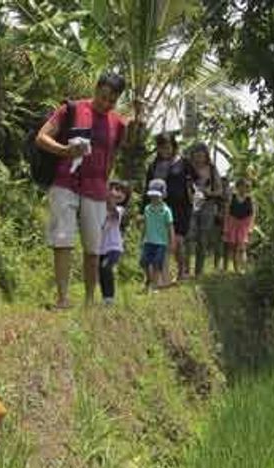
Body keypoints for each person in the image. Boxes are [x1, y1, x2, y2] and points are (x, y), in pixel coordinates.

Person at [34, 71, 127, 309]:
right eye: (103, 96)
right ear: (96, 88)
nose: (106, 103)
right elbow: (42, 137)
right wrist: (65, 151)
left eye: (112, 100)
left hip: (96, 188)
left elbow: (112, 158)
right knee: (63, 239)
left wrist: (106, 189)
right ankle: (63, 299)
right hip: (66, 181)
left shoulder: (117, 122)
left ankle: (88, 301)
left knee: (93, 247)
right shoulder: (72, 109)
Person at [145, 133, 191, 283]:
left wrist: (198, 196)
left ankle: (181, 271)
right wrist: (143, 210)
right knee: (160, 243)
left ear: (173, 146)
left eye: (167, 146)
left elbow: (196, 181)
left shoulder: (183, 162)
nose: (164, 150)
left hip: (181, 208)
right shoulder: (153, 165)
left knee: (178, 241)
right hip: (159, 208)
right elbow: (148, 187)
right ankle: (162, 276)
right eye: (161, 147)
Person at [186, 143, 225, 277]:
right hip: (191, 205)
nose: (198, 157)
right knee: (188, 237)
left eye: (201, 155)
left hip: (208, 206)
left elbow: (220, 191)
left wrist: (209, 192)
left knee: (202, 239)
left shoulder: (212, 170)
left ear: (206, 156)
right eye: (196, 154)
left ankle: (199, 271)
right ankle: (185, 270)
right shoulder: (188, 169)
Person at [99, 180, 130, 305]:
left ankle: (110, 298)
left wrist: (110, 197)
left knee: (106, 267)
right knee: (101, 271)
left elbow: (114, 213)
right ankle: (105, 297)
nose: (117, 193)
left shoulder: (120, 209)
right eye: (116, 189)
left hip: (114, 247)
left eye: (122, 192)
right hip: (100, 247)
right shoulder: (99, 207)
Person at [141, 179, 173, 293]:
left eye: (157, 196)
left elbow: (170, 228)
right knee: (144, 262)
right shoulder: (147, 209)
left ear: (163, 195)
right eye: (152, 196)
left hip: (161, 243)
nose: (154, 198)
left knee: (156, 264)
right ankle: (148, 280)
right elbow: (145, 224)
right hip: (148, 241)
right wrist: (142, 238)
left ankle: (155, 285)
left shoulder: (166, 211)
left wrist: (171, 243)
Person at [223, 177, 256, 272]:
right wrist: (226, 227)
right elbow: (227, 212)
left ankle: (242, 267)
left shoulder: (250, 199)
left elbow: (253, 214)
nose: (243, 189)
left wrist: (251, 227)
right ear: (237, 187)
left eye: (245, 187)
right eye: (241, 186)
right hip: (233, 223)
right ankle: (236, 268)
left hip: (244, 224)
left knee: (241, 246)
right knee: (233, 247)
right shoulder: (232, 197)